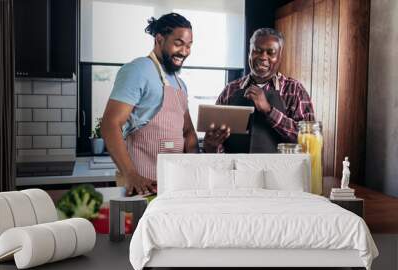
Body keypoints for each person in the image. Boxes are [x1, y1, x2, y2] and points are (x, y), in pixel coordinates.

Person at [101, 13, 198, 196]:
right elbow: (110, 124)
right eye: (178, 43)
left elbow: (188, 132)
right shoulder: (138, 70)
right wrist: (130, 175)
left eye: (189, 45)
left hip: (175, 188)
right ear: (159, 39)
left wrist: (194, 169)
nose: (184, 51)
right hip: (143, 187)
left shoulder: (179, 83)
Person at [204, 28, 315, 153]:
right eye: (257, 51)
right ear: (249, 53)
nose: (263, 57)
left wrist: (269, 110)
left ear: (279, 56)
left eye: (271, 52)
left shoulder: (295, 90)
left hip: (280, 171)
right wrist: (212, 146)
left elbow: (309, 138)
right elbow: (217, 144)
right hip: (236, 170)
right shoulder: (230, 90)